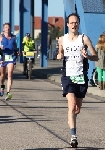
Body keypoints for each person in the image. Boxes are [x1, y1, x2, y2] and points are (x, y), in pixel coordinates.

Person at [57, 13, 98, 148]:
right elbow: (60, 53)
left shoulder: (84, 39)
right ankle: (73, 136)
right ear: (67, 24)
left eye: (76, 22)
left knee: (77, 108)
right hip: (68, 75)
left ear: (78, 24)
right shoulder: (62, 39)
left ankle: (73, 119)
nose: (74, 25)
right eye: (71, 23)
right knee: (71, 103)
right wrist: (59, 54)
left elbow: (96, 57)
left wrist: (88, 56)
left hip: (81, 76)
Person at [0, 23, 17, 100]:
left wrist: (17, 52)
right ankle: (2, 86)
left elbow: (15, 46)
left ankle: (8, 93)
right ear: (3, 29)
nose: (7, 29)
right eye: (6, 27)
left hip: (11, 57)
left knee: (10, 74)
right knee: (3, 75)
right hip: (3, 57)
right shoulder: (0, 37)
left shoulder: (13, 37)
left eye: (8, 27)